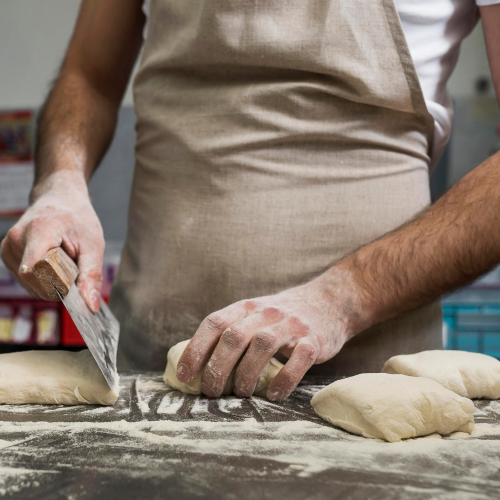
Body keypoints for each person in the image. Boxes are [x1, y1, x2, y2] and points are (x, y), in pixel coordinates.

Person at [2, 0, 500, 402]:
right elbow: (86, 77)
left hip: (367, 372)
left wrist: (342, 299)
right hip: (151, 368)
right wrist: (60, 181)